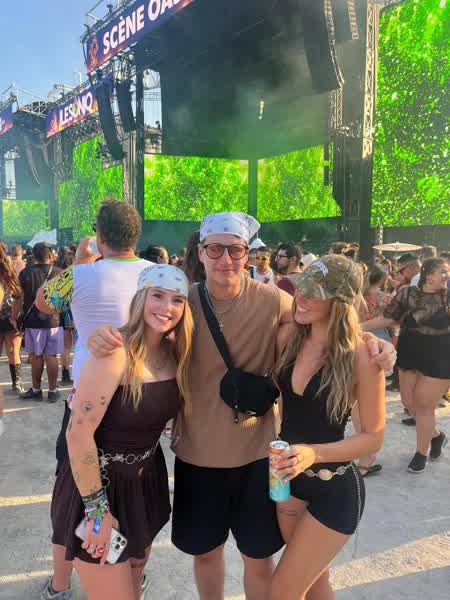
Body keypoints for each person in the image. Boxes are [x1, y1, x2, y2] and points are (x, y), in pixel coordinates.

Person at [87, 212, 396, 600]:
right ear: (201, 252)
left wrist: (375, 344)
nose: (225, 259)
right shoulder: (184, 301)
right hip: (198, 456)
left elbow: (331, 326)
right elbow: (145, 327)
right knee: (206, 554)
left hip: (259, 459)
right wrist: (104, 335)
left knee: (260, 559)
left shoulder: (273, 300)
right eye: (215, 249)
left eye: (235, 249)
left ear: (247, 253)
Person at [51, 265, 193, 600]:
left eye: (177, 300)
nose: (167, 307)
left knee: (134, 572)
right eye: (157, 295)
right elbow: (78, 433)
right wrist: (97, 512)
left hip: (145, 484)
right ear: (141, 297)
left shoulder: (176, 353)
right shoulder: (115, 351)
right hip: (101, 487)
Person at [36, 199, 153, 600]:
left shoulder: (78, 275)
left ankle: (60, 584)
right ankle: (134, 577)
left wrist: (81, 263)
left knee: (70, 495)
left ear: (100, 236)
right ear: (136, 235)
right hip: (140, 401)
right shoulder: (155, 276)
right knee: (138, 496)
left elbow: (42, 303)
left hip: (87, 402)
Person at [271, 255, 385, 600]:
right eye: (300, 288)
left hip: (333, 486)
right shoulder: (289, 337)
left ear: (339, 303)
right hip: (287, 479)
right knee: (315, 584)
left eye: (313, 293)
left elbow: (373, 438)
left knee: (283, 589)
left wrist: (313, 453)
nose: (300, 298)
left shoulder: (362, 355)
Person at [363, 258, 450, 473]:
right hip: (411, 352)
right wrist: (355, 327)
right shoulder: (407, 294)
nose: (447, 276)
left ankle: (421, 453)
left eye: (448, 272)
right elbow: (386, 319)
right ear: (428, 275)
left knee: (424, 407)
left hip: (440, 356)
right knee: (409, 404)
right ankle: (436, 436)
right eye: (443, 271)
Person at [18, 243, 63, 402]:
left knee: (36, 356)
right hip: (54, 321)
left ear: (34, 256)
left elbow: (18, 298)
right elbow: (63, 301)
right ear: (50, 255)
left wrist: (15, 316)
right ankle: (52, 391)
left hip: (32, 321)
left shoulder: (25, 273)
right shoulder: (60, 273)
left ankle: (36, 390)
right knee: (52, 356)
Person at [0, 244, 24, 392]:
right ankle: (17, 383)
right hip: (10, 316)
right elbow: (18, 295)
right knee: (13, 352)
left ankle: (17, 383)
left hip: (8, 316)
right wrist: (15, 317)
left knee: (12, 351)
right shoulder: (10, 270)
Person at [55, 247, 76, 386]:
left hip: (62, 313)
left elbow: (56, 300)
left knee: (65, 347)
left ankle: (65, 373)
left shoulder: (56, 276)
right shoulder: (77, 276)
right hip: (75, 313)